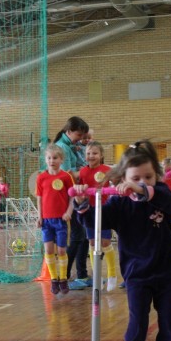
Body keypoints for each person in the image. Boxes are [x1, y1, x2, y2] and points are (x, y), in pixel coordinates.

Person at [72, 140, 171, 341]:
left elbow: (157, 195)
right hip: (137, 275)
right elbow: (94, 221)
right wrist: (81, 202)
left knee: (168, 325)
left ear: (156, 176)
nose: (143, 181)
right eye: (135, 178)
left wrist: (139, 187)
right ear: (122, 179)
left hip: (167, 273)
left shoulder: (162, 194)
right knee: (137, 325)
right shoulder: (119, 204)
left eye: (148, 177)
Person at [51, 116, 91, 289]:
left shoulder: (71, 146)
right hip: (68, 197)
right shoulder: (62, 147)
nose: (81, 138)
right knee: (77, 236)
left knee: (83, 235)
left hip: (77, 194)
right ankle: (64, 276)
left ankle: (82, 274)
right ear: (69, 131)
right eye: (79, 135)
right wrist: (86, 171)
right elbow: (67, 174)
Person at [77, 141, 119, 291]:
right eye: (88, 153)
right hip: (90, 211)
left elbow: (117, 182)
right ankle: (97, 276)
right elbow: (80, 190)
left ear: (101, 155)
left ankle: (112, 274)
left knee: (106, 242)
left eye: (94, 153)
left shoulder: (107, 170)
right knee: (92, 242)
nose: (91, 156)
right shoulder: (82, 172)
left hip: (104, 210)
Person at [36, 143, 75, 295]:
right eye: (49, 158)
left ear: (61, 159)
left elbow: (72, 197)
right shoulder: (41, 177)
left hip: (61, 220)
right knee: (48, 249)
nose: (52, 161)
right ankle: (54, 279)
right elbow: (39, 199)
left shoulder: (66, 177)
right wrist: (39, 217)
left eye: (55, 158)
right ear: (45, 160)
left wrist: (69, 212)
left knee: (61, 250)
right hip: (46, 221)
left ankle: (63, 278)